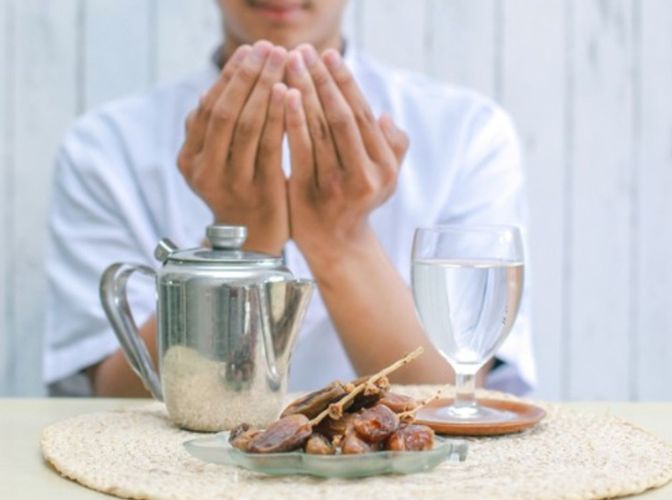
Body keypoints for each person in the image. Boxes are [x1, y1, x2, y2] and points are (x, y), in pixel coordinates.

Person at [43, 0, 536, 396]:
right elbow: (113, 402)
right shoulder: (104, 146)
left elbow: (455, 395)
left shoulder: (466, 132)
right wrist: (242, 240)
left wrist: (341, 240)